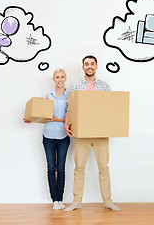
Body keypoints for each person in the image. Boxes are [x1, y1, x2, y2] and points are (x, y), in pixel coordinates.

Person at [64, 55, 120, 211]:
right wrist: (66, 123)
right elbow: (70, 108)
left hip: (101, 132)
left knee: (104, 167)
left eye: (92, 64)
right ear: (83, 67)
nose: (89, 66)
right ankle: (76, 202)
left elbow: (110, 108)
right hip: (82, 133)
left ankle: (108, 201)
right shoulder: (75, 86)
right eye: (86, 64)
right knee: (79, 167)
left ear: (96, 66)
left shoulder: (105, 86)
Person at [24, 68, 70, 210]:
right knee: (51, 168)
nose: (60, 79)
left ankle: (60, 199)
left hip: (63, 136)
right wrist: (32, 119)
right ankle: (54, 200)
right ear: (53, 79)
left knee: (61, 168)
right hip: (48, 136)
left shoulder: (70, 96)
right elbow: (44, 115)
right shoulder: (48, 95)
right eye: (57, 77)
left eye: (62, 77)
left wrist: (58, 119)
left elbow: (71, 116)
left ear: (65, 79)